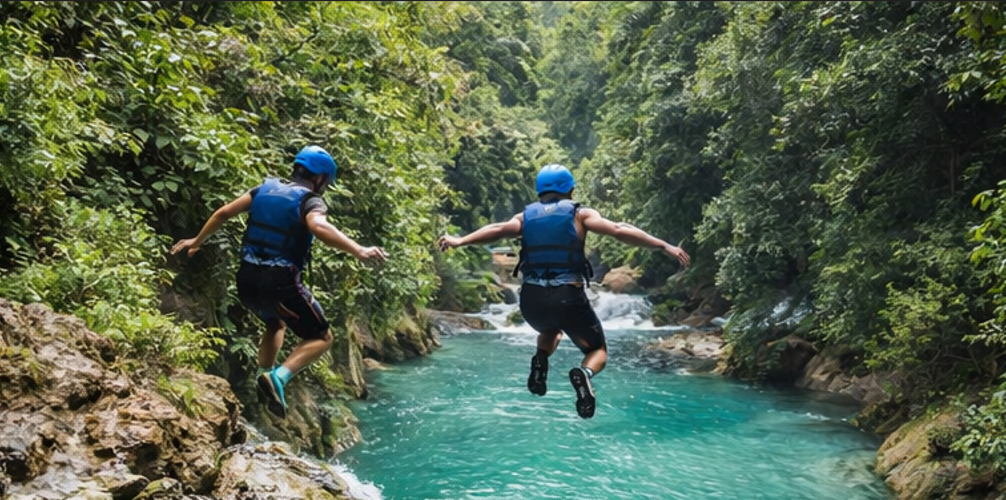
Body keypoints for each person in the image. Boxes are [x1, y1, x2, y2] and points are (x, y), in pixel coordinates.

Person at [437, 163, 689, 419]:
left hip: (531, 301)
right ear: (569, 189)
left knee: (551, 328)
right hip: (567, 297)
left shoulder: (525, 217)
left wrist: (460, 240)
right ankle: (584, 374)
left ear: (539, 190)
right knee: (597, 350)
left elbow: (496, 229)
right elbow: (619, 229)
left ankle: (540, 358)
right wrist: (663, 246)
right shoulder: (580, 214)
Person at [170, 145, 388, 418]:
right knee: (321, 337)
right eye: (326, 183)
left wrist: (196, 240)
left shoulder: (263, 189)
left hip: (246, 280)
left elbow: (223, 213)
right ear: (320, 178)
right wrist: (359, 250)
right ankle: (280, 377)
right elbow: (319, 226)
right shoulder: (311, 201)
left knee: (275, 322)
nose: (325, 187)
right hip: (280, 281)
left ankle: (264, 376)